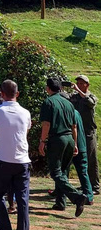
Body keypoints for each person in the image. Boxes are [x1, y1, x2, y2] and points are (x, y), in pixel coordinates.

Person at [0, 80, 32, 230]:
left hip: (3, 159)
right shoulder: (25, 112)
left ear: (1, 93)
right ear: (18, 93)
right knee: (22, 200)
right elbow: (25, 132)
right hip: (22, 160)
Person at [39, 78, 87, 216]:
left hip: (57, 139)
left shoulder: (49, 102)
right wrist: (75, 143)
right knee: (63, 172)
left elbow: (46, 124)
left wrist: (42, 141)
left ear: (48, 88)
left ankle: (77, 197)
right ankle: (60, 202)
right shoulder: (68, 103)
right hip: (69, 139)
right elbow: (74, 126)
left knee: (55, 172)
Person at [70, 74, 98, 195]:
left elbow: (90, 103)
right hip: (78, 132)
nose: (80, 85)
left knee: (91, 159)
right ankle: (85, 184)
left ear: (87, 85)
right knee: (81, 159)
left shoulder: (91, 96)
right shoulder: (75, 97)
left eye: (82, 83)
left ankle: (95, 186)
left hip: (89, 132)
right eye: (78, 83)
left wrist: (79, 90)